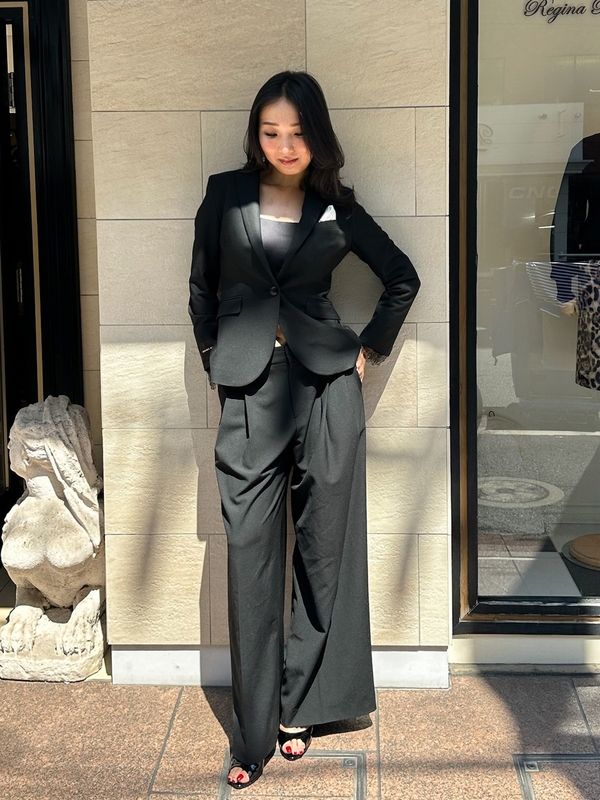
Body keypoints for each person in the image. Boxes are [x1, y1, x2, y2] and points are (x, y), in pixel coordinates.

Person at [189, 71, 420, 790]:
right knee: (250, 558)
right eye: (271, 132)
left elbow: (403, 277)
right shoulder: (225, 195)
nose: (284, 145)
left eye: (296, 132)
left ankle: (301, 708)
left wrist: (368, 348)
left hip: (326, 389)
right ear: (255, 135)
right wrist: (214, 356)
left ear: (317, 135)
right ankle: (253, 735)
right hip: (249, 392)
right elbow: (200, 287)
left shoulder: (339, 209)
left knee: (323, 553)